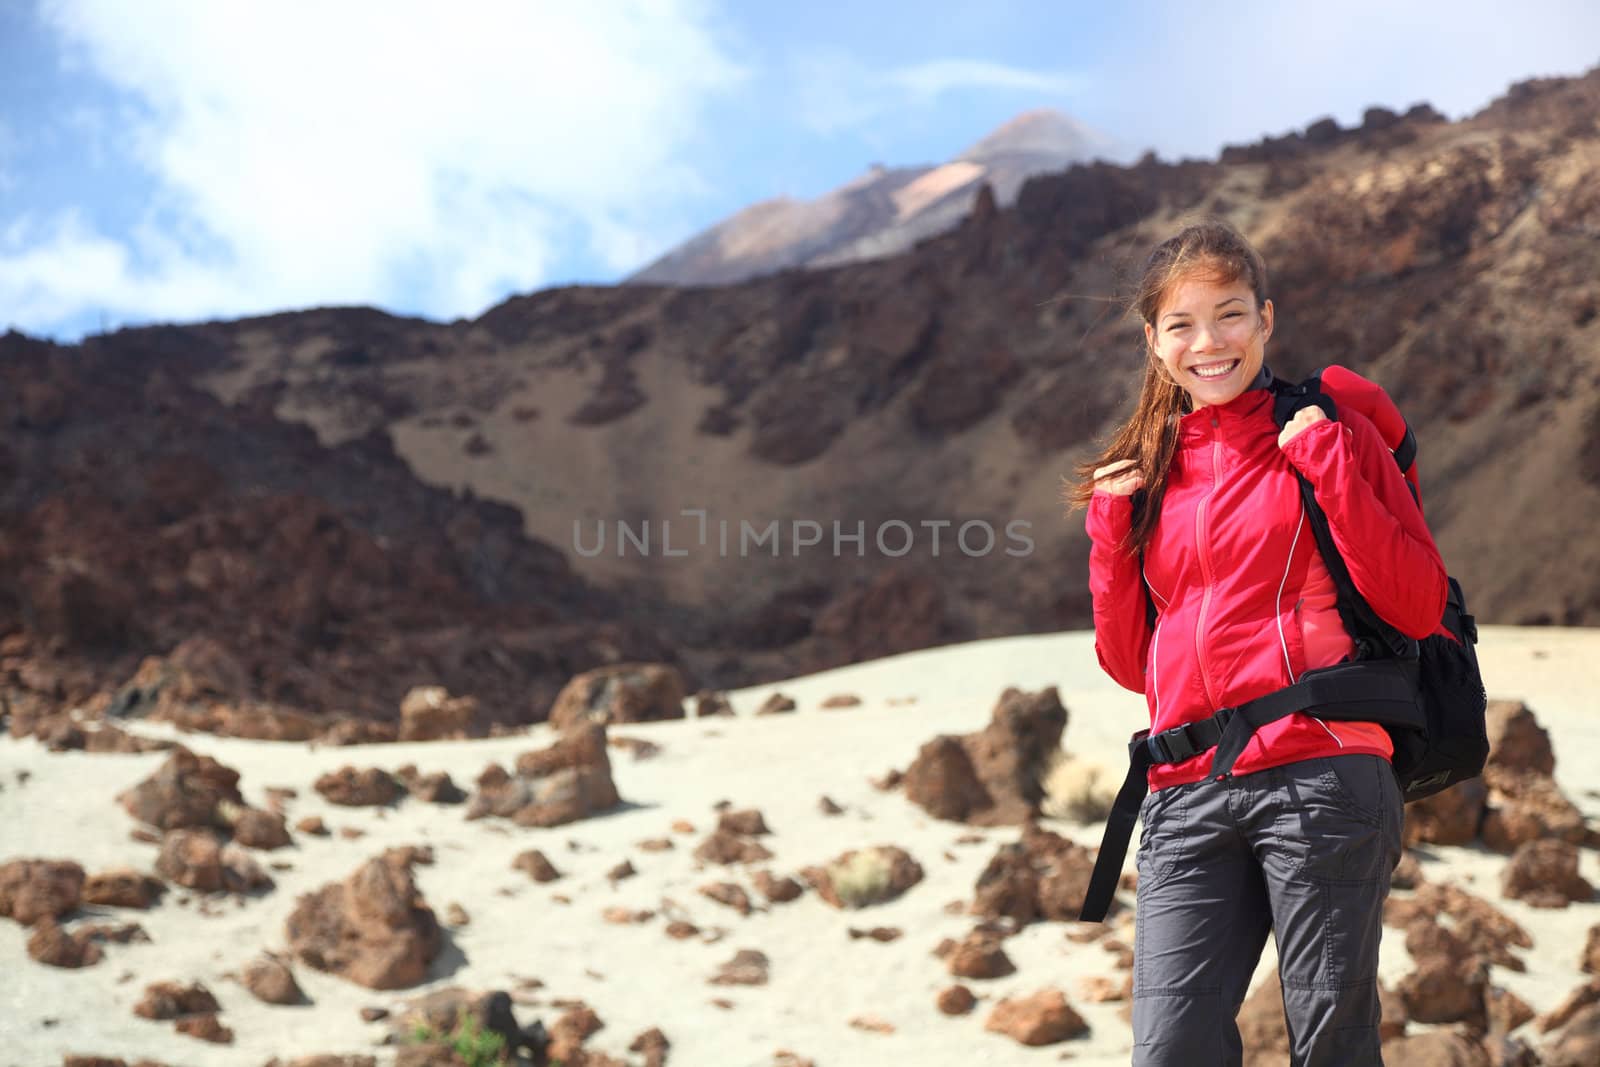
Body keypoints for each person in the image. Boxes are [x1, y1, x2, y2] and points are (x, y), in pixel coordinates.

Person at [1064, 219, 1448, 1065]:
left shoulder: (1328, 430)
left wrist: (1328, 464)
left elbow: (1418, 605)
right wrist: (1109, 531)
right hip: (1184, 791)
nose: (1210, 343)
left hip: (1321, 770)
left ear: (1267, 318)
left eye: (1230, 314)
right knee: (1169, 1051)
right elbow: (1134, 665)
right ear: (1153, 340)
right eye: (1183, 324)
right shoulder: (1151, 470)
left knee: (1330, 1048)